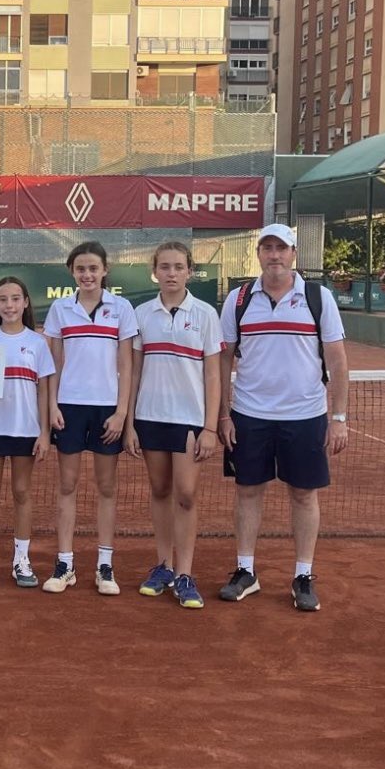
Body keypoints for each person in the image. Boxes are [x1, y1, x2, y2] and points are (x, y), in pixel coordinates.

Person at [217, 223, 349, 612]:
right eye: (267, 248)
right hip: (248, 414)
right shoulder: (238, 299)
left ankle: (303, 576)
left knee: (304, 495)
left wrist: (337, 417)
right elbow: (224, 359)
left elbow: (338, 361)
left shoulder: (317, 297)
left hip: (305, 416)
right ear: (258, 254)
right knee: (247, 491)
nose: (274, 255)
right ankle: (245, 571)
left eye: (281, 248)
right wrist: (224, 415)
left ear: (293, 254)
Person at [124, 242, 222, 609]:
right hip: (150, 416)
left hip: (189, 420)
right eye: (164, 267)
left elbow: (213, 375)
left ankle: (185, 573)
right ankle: (163, 566)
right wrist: (130, 422)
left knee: (186, 493)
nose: (171, 273)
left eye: (178, 267)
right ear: (155, 271)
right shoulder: (142, 314)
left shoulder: (206, 315)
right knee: (160, 490)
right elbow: (133, 372)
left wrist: (210, 427)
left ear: (190, 271)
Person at [42, 241, 138, 596]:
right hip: (68, 406)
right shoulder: (60, 309)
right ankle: (65, 563)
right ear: (72, 272)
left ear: (104, 270)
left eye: (93, 268)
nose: (87, 275)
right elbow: (53, 364)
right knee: (66, 487)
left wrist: (121, 413)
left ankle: (104, 565)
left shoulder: (122, 308)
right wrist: (52, 406)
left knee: (107, 489)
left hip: (106, 410)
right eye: (81, 269)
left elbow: (126, 366)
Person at [0, 277, 54, 588]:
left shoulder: (37, 343)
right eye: (3, 299)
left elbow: (44, 391)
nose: (9, 305)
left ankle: (21, 559)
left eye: (15, 299)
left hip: (26, 430)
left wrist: (44, 433)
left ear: (26, 303)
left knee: (21, 493)